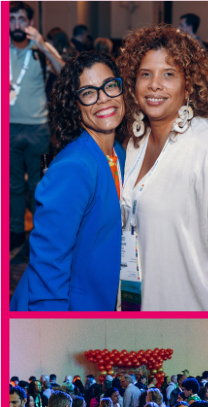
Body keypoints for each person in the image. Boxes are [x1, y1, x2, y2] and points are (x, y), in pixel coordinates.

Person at [117, 25, 208, 311]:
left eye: (168, 74)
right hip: (137, 307)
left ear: (189, 84)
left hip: (193, 316)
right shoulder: (133, 143)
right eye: (146, 74)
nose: (155, 84)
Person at [10, 51, 126, 311]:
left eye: (110, 86)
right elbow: (48, 265)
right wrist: (53, 333)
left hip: (102, 300)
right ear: (76, 105)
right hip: (67, 308)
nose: (103, 98)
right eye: (88, 92)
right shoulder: (73, 168)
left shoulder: (119, 152)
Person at [9, 1, 64, 251]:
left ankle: (39, 234)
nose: (17, 24)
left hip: (39, 131)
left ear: (30, 23)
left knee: (40, 183)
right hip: (8, 129)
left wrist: (41, 43)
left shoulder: (41, 49)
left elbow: (64, 72)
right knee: (13, 185)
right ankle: (16, 232)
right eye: (12, 19)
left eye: (22, 19)